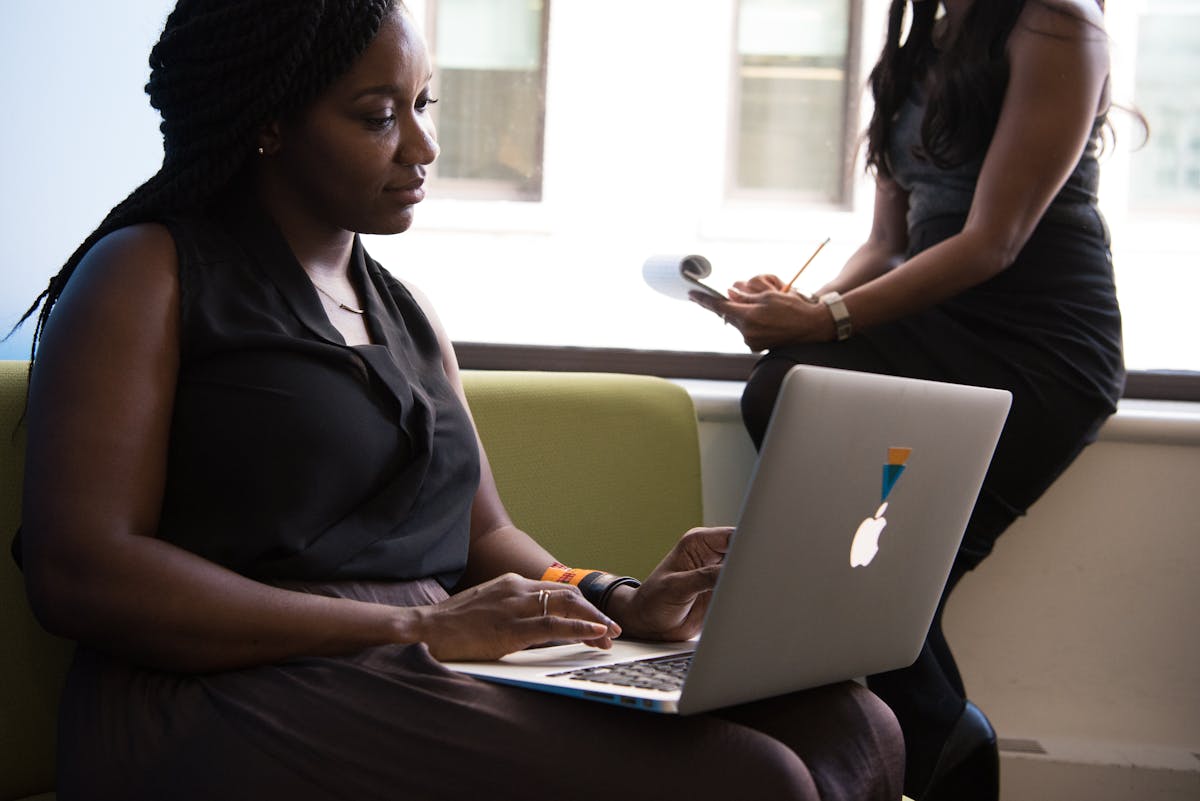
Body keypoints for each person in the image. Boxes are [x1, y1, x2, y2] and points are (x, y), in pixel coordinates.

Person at [11, 3, 904, 799]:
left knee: (852, 723)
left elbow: (485, 539)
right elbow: (85, 570)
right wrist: (418, 623)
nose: (423, 147)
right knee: (753, 779)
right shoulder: (145, 274)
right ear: (269, 123)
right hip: (223, 684)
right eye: (377, 117)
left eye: (422, 106)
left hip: (422, 651)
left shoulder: (405, 310)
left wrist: (613, 599)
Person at [692, 1, 1123, 800]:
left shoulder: (1059, 25)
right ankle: (941, 741)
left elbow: (995, 239)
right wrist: (796, 306)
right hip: (938, 325)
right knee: (794, 396)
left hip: (1042, 348)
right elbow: (888, 244)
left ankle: (937, 738)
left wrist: (826, 318)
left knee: (882, 570)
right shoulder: (914, 44)